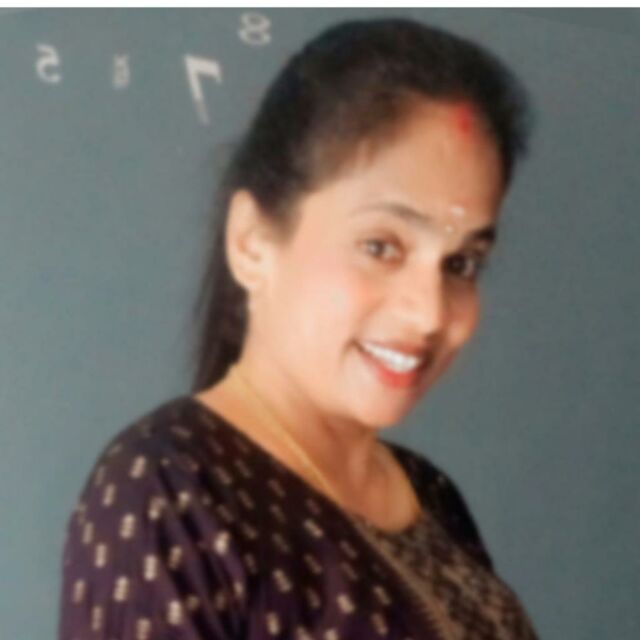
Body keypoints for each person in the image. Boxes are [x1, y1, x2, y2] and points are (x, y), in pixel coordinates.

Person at [57, 16, 539, 640]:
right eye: (381, 246)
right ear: (252, 243)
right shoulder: (167, 492)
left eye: (462, 263)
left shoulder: (431, 496)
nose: (429, 313)